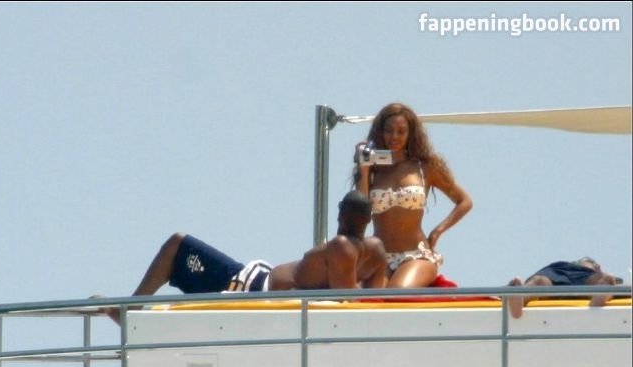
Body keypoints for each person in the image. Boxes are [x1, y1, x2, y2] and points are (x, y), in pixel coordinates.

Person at [99, 190, 388, 323]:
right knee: (178, 247)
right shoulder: (376, 250)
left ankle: (131, 309)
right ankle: (132, 309)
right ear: (367, 220)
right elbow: (373, 299)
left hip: (247, 285)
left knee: (176, 244)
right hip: (253, 280)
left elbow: (345, 303)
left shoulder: (340, 246)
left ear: (340, 214)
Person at [353, 102, 473, 288]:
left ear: (411, 134)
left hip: (416, 255)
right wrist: (364, 170)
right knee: (371, 298)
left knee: (395, 294)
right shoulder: (372, 170)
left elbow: (464, 201)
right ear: (380, 132)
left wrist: (437, 231)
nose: (394, 136)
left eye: (401, 131)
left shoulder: (425, 167)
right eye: (389, 130)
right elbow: (361, 212)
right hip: (380, 258)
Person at [507, 257, 625, 318]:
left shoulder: (595, 274)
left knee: (539, 281)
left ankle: (519, 292)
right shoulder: (566, 265)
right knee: (539, 281)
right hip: (558, 272)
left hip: (579, 279)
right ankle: (519, 294)